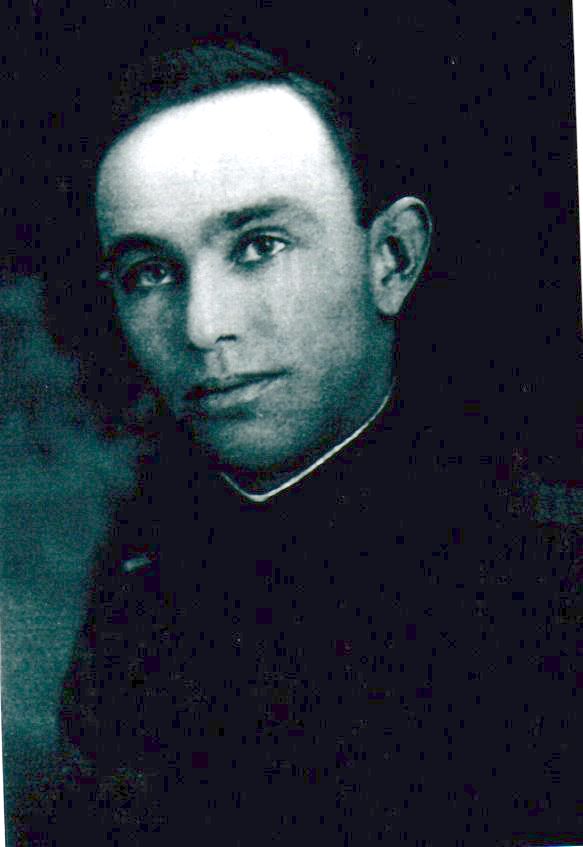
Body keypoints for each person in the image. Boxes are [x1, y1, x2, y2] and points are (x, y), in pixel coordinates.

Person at [14, 38, 581, 847]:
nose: (202, 326)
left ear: (391, 258)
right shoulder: (129, 605)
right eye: (150, 271)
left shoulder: (548, 582)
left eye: (259, 247)